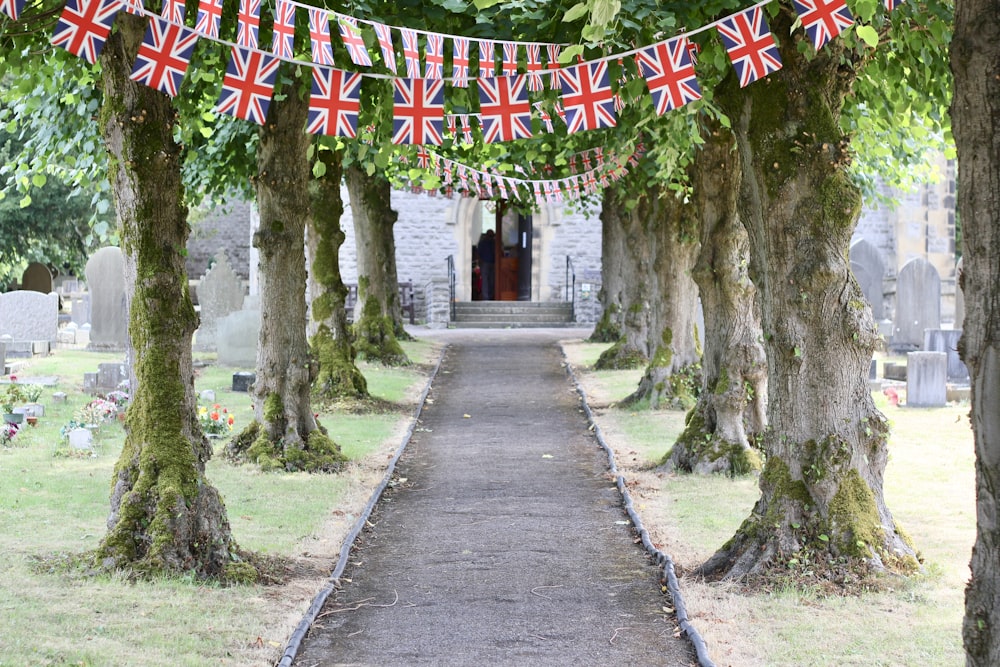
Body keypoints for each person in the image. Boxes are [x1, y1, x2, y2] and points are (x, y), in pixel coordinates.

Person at [477, 229, 496, 300]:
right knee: (485, 281)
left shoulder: (494, 243)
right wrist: (480, 262)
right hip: (485, 263)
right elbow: (478, 253)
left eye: (492, 235)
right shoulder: (483, 243)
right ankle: (486, 297)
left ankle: (489, 296)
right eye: (490, 235)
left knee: (491, 281)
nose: (491, 237)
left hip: (493, 263)